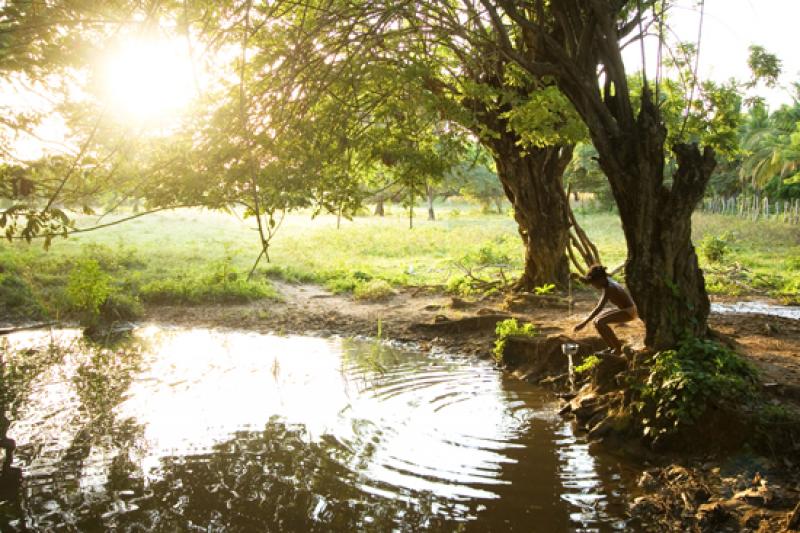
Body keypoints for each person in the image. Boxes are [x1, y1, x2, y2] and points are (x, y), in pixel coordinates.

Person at [573, 264, 638, 355]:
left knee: (600, 322)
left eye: (594, 284)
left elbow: (599, 308)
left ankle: (618, 348)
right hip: (625, 309)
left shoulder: (610, 288)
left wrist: (584, 323)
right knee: (596, 321)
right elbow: (589, 280)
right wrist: (578, 277)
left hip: (629, 311)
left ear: (600, 280)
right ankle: (611, 347)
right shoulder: (606, 280)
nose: (594, 286)